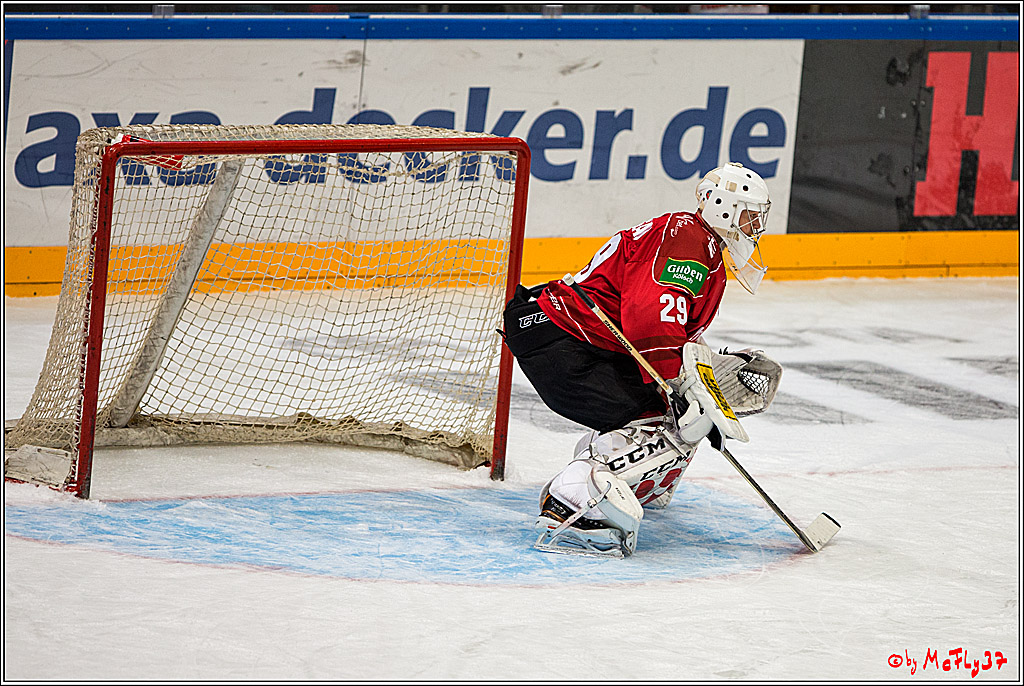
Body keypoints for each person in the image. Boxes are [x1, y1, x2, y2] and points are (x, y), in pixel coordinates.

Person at [501, 162, 783, 557]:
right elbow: (651, 318)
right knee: (667, 420)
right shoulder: (688, 238)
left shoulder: (701, 245)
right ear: (724, 208)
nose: (756, 227)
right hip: (562, 338)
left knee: (684, 412)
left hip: (572, 337)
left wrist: (698, 384)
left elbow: (675, 329)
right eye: (751, 216)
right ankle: (574, 501)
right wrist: (680, 389)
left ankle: (634, 479)